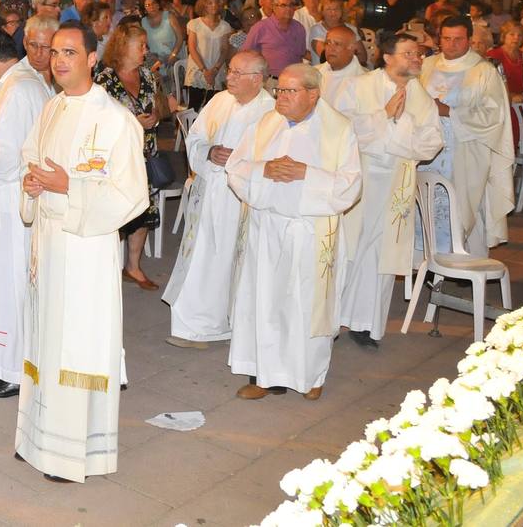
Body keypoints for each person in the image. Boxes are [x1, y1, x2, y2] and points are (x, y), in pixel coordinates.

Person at [16, 24, 147, 482]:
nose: (59, 60)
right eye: (54, 52)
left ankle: (70, 452)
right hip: (48, 243)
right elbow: (30, 156)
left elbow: (133, 194)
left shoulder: (115, 119)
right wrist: (31, 181)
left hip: (86, 247)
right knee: (45, 334)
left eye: (70, 52)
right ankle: (37, 436)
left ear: (93, 59)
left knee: (76, 340)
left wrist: (67, 185)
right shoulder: (51, 107)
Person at [226, 63, 362, 401]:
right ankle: (263, 376)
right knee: (266, 302)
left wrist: (306, 174)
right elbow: (236, 168)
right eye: (279, 90)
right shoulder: (265, 124)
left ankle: (310, 376)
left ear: (313, 94)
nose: (280, 97)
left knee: (305, 306)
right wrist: (264, 169)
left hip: (310, 232)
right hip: (268, 228)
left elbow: (351, 185)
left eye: (290, 91)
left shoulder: (339, 130)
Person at [333, 33, 444, 349]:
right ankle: (332, 317)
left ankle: (366, 323)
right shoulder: (358, 86)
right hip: (361, 175)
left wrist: (399, 124)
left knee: (381, 252)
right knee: (350, 245)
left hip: (397, 180)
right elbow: (340, 129)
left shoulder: (421, 97)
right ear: (387, 57)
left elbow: (432, 142)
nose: (416, 59)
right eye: (408, 53)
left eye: (419, 54)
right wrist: (383, 116)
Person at [0, 28, 54, 398]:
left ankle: (9, 368)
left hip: (8, 203)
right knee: (16, 281)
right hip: (21, 198)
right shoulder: (29, 84)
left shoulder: (17, 90)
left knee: (8, 282)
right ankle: (16, 361)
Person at [163, 50, 274, 348]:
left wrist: (237, 160)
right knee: (200, 255)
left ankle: (217, 324)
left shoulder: (270, 112)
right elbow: (196, 137)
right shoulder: (219, 100)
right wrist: (209, 153)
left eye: (238, 73)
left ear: (257, 79)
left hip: (238, 198)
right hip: (209, 189)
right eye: (231, 71)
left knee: (224, 258)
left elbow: (272, 159)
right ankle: (193, 324)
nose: (229, 77)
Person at [419, 16, 515, 255]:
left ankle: (458, 260)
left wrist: (449, 111)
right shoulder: (427, 65)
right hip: (425, 151)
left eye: (458, 39)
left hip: (464, 151)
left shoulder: (483, 71)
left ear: (469, 40)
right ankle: (424, 263)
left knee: (459, 208)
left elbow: (494, 115)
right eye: (446, 38)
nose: (451, 45)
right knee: (423, 206)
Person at [95, 25, 165, 289]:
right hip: (117, 155)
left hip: (145, 151)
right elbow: (98, 120)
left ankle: (133, 267)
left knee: (142, 209)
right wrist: (134, 124)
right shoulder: (105, 81)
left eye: (146, 45)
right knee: (115, 211)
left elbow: (158, 107)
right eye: (141, 45)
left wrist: (156, 117)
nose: (146, 51)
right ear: (123, 47)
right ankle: (107, 267)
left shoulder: (148, 75)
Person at [183, 0, 232, 110]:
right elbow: (192, 48)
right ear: (203, 5)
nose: (214, 5)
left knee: (213, 108)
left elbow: (225, 50)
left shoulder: (225, 26)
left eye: (216, 2)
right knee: (194, 106)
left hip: (217, 70)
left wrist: (215, 70)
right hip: (198, 70)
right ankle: (186, 129)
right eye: (210, 3)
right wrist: (204, 70)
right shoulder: (194, 24)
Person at [242, 0, 308, 75]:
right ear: (274, 7)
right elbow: (246, 55)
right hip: (271, 81)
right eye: (283, 5)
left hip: (295, 80)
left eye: (291, 5)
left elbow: (301, 53)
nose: (288, 8)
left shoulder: (299, 28)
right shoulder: (260, 27)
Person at [315, 25, 365, 100]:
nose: (331, 48)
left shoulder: (364, 81)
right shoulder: (314, 73)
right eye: (328, 43)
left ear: (351, 49)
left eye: (337, 44)